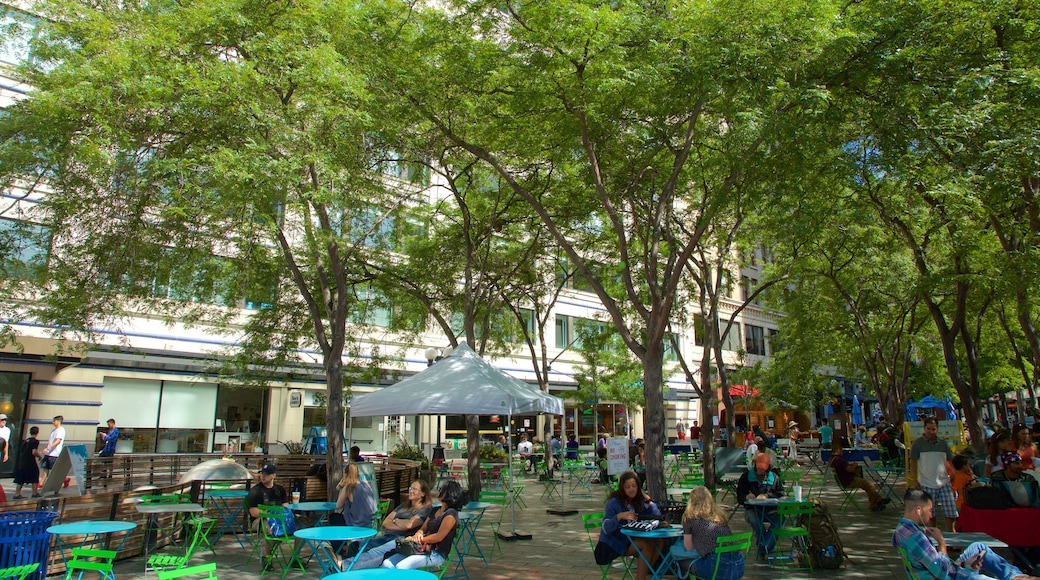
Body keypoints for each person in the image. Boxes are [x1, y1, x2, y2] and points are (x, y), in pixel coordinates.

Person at [893, 488, 1039, 580]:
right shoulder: (915, 537)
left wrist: (963, 563)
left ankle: (1015, 576)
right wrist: (942, 543)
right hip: (953, 576)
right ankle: (1016, 577)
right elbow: (942, 572)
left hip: (951, 570)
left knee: (978, 547)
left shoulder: (902, 530)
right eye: (930, 510)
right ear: (919, 510)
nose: (931, 516)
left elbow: (930, 565)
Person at [347, 479, 433, 569]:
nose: (411, 491)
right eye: (410, 488)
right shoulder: (404, 506)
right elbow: (385, 522)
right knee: (355, 546)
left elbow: (409, 525)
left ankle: (346, 566)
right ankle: (350, 572)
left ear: (423, 494)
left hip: (399, 540)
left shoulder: (425, 509)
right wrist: (399, 523)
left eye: (415, 489)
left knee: (371, 552)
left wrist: (395, 521)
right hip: (386, 535)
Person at [595, 470, 663, 580]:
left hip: (629, 540)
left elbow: (656, 516)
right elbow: (606, 528)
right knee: (646, 544)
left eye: (634, 486)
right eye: (627, 487)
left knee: (658, 541)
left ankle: (645, 573)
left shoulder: (637, 500)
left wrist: (649, 500)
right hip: (613, 544)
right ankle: (641, 578)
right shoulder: (614, 502)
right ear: (622, 488)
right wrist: (619, 516)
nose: (631, 489)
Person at [382, 481, 465, 570]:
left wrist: (418, 540)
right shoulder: (435, 510)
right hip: (421, 548)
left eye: (441, 490)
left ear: (448, 494)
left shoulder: (450, 515)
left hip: (436, 553)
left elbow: (439, 537)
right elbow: (423, 528)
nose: (438, 491)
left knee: (401, 566)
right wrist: (418, 533)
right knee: (387, 563)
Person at [669, 486, 744, 580]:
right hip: (738, 565)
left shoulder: (690, 518)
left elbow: (688, 547)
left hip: (717, 567)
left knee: (681, 562)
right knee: (703, 560)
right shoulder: (719, 516)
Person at [909, 417, 957, 531]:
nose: (931, 432)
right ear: (924, 428)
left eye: (933, 429)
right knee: (930, 513)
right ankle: (933, 536)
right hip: (926, 482)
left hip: (944, 481)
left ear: (937, 429)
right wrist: (915, 480)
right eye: (928, 429)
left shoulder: (943, 444)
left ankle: (951, 535)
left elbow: (951, 460)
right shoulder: (917, 444)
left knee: (950, 511)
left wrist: (954, 474)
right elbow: (913, 462)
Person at [736, 452, 784, 556]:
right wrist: (746, 497)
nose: (760, 471)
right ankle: (764, 547)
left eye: (763, 469)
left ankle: (765, 545)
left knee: (781, 519)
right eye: (759, 468)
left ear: (768, 467)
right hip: (752, 509)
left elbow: (780, 493)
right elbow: (739, 496)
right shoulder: (746, 477)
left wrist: (767, 495)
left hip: (770, 509)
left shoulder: (774, 477)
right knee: (755, 521)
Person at [246, 464, 290, 571]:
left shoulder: (280, 489)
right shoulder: (256, 491)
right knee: (272, 529)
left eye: (266, 474)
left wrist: (286, 515)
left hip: (279, 519)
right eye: (262, 474)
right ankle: (267, 557)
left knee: (301, 529)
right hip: (260, 520)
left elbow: (285, 506)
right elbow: (254, 512)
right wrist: (272, 513)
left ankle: (294, 558)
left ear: (273, 476)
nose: (263, 476)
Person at [828, 442, 890, 511]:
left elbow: (844, 468)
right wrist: (854, 465)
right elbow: (850, 469)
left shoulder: (832, 459)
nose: (842, 452)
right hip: (848, 480)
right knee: (870, 485)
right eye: (841, 450)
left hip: (843, 480)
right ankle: (875, 503)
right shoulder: (839, 460)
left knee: (868, 486)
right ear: (838, 450)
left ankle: (877, 501)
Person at [333, 462, 377, 527]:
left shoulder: (349, 487)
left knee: (334, 517)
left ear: (345, 474)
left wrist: (342, 484)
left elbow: (338, 505)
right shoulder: (366, 485)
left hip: (357, 523)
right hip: (370, 522)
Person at [13, 426, 41, 499]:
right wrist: (39, 456)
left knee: (21, 477)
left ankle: (17, 494)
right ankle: (35, 493)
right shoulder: (35, 441)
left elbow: (21, 451)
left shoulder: (25, 441)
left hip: (23, 461)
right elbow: (34, 452)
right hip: (30, 461)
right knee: (35, 474)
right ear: (37, 432)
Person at [39, 415, 65, 490]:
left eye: (54, 421)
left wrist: (48, 448)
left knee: (55, 470)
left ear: (58, 422)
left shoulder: (61, 430)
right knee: (45, 468)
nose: (53, 422)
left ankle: (64, 479)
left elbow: (58, 441)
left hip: (55, 454)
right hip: (48, 453)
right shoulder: (54, 430)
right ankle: (41, 483)